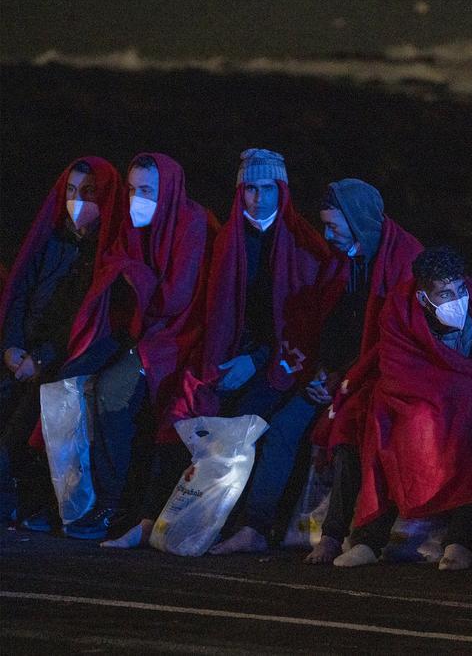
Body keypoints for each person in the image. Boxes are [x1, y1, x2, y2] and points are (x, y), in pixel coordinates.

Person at [119, 149, 337, 554]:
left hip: (281, 362)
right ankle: (152, 519)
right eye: (249, 188)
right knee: (183, 408)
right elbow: (215, 311)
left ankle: (237, 526)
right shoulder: (229, 240)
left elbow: (305, 328)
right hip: (231, 354)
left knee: (236, 424)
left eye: (267, 188)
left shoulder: (304, 246)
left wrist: (255, 362)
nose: (257, 198)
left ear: (281, 190)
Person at [330, 245, 472, 570]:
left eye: (460, 289)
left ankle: (461, 540)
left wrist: (468, 392)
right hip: (418, 396)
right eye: (444, 294)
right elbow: (399, 370)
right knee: (389, 427)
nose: (456, 300)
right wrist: (443, 395)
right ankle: (368, 540)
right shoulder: (401, 308)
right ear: (424, 299)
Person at [48, 153, 214, 541]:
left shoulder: (190, 223)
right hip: (139, 330)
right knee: (70, 378)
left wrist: (133, 273)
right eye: (132, 188)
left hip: (174, 337)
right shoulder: (135, 223)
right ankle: (71, 497)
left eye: (147, 191)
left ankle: (113, 504)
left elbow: (175, 299)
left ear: (167, 191)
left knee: (113, 394)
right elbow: (114, 264)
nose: (136, 198)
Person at [265, 178, 425, 564]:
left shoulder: (404, 261)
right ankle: (259, 526)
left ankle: (343, 535)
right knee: (284, 427)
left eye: (335, 226)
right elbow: (334, 325)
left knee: (355, 428)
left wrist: (345, 378)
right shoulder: (348, 262)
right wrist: (324, 372)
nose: (328, 235)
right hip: (341, 375)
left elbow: (398, 340)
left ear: (357, 220)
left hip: (388, 376)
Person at [0, 157, 122, 524]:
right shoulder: (51, 237)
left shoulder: (104, 250)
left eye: (88, 193)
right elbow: (21, 291)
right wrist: (12, 346)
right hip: (23, 354)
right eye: (71, 191)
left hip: (60, 357)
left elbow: (81, 319)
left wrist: (38, 358)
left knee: (20, 427)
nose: (77, 201)